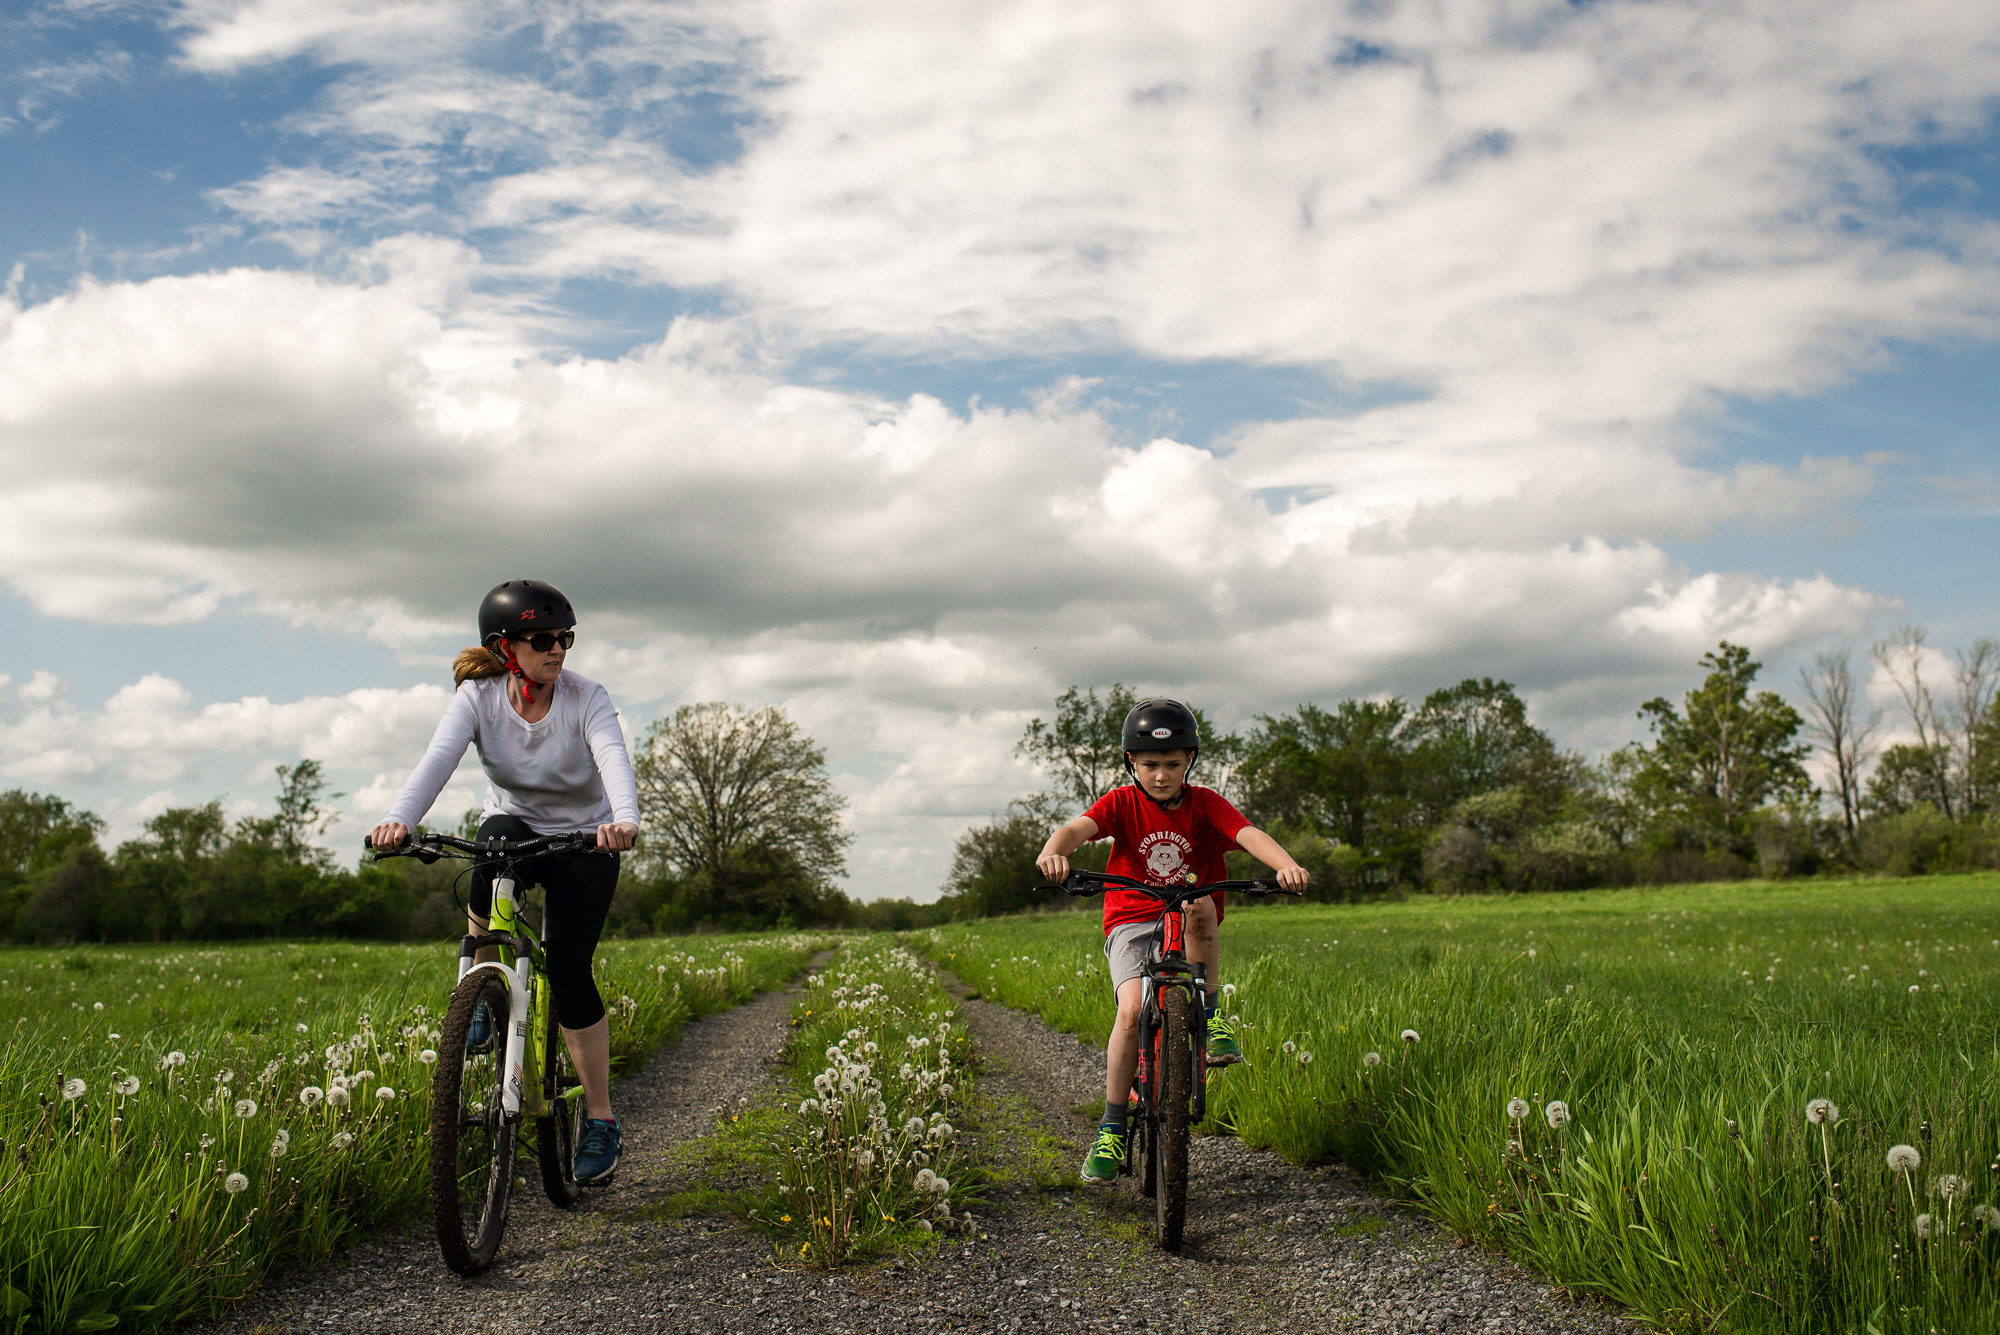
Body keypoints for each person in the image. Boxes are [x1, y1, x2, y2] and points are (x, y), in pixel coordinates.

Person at [369, 579, 641, 1186]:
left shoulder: (585, 697)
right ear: (505, 646)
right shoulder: (478, 697)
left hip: (585, 838)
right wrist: (399, 820)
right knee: (490, 840)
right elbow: (436, 760)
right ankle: (481, 987)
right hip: (518, 828)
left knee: (570, 970)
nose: (558, 650)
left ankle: (600, 1118)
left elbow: (612, 757)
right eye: (543, 639)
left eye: (565, 638)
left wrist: (624, 821)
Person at [1034, 697, 1309, 1186]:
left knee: (1199, 901)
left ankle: (1210, 1011)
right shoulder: (1121, 803)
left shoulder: (1205, 804)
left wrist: (1284, 865)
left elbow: (1247, 833)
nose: (1162, 775)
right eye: (1151, 765)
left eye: (1173, 765)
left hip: (1190, 915)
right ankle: (1113, 1124)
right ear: (1131, 763)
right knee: (1131, 1010)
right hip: (1132, 919)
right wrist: (1055, 852)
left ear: (1190, 763)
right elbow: (1078, 828)